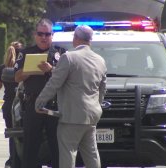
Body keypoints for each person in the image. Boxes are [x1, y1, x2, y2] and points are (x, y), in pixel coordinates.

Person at [35, 25, 107, 168]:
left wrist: (39, 102)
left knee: (68, 152)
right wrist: (97, 105)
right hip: (91, 116)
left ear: (76, 38)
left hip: (71, 117)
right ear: (90, 40)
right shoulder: (100, 60)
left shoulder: (68, 57)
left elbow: (54, 83)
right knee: (91, 154)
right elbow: (102, 89)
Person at [14, 18, 65, 168]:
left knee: (57, 146)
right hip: (33, 104)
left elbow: (67, 78)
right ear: (35, 35)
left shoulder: (61, 53)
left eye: (47, 34)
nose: (43, 37)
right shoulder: (25, 53)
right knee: (30, 146)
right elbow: (16, 77)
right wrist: (29, 70)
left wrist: (51, 70)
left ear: (52, 35)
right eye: (40, 34)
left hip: (54, 106)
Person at [0, 41, 23, 168]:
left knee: (12, 135)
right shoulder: (22, 67)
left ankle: (13, 159)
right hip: (21, 105)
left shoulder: (3, 67)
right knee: (24, 134)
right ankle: (20, 159)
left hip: (8, 105)